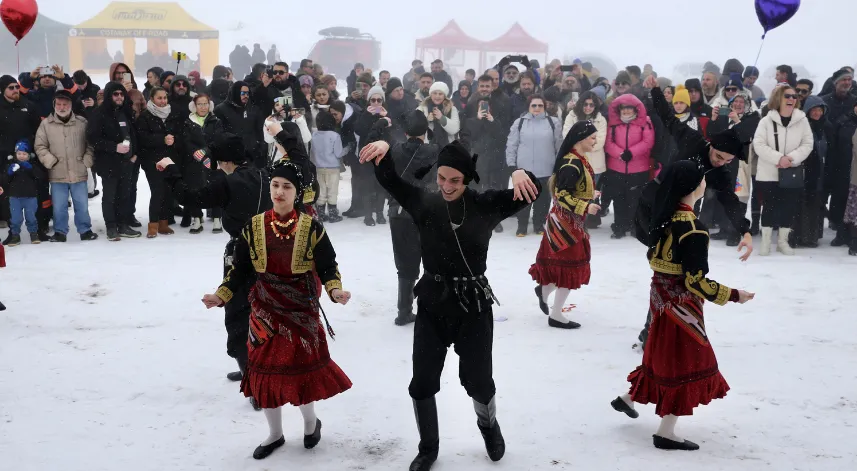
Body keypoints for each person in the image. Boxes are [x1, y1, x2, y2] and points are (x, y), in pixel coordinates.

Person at [358, 138, 541, 471]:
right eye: (441, 178)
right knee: (423, 381)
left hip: (473, 305)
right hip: (432, 301)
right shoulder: (424, 203)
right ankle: (428, 447)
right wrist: (384, 150)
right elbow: (390, 181)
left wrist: (519, 173)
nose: (446, 186)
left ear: (466, 179)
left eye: (454, 180)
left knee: (479, 380)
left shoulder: (485, 205)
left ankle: (489, 427)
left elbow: (533, 190)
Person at [200, 156, 352, 460]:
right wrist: (222, 295)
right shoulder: (254, 226)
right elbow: (239, 270)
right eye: (274, 186)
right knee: (264, 374)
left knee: (302, 372)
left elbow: (328, 266)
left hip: (301, 311)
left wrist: (335, 290)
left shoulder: (312, 228)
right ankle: (275, 433)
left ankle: (311, 423)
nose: (279, 192)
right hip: (265, 312)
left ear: (297, 193)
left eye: (286, 187)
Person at [611, 160, 755, 451]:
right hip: (681, 308)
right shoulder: (693, 229)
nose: (704, 183)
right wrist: (733, 294)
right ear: (694, 187)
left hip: (660, 301)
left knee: (659, 356)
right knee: (685, 365)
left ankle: (627, 399)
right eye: (701, 179)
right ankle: (666, 432)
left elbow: (658, 261)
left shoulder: (663, 219)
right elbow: (696, 281)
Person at [370, 110, 439, 326]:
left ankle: (404, 311)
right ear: (425, 131)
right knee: (430, 261)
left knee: (405, 265)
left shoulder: (395, 149)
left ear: (406, 131)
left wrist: (383, 121)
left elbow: (372, 137)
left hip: (398, 212)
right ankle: (429, 308)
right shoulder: (433, 150)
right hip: (425, 211)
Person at [530, 121, 601, 329]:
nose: (595, 141)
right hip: (565, 224)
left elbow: (575, 188)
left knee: (564, 267)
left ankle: (544, 292)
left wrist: (590, 195)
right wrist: (585, 206)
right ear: (580, 139)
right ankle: (556, 314)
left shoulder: (579, 159)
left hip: (571, 222)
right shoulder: (571, 163)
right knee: (568, 268)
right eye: (592, 137)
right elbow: (561, 195)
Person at [752, 85, 814, 256]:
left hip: (791, 172)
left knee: (789, 207)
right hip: (768, 172)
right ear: (779, 98)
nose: (792, 99)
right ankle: (765, 242)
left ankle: (782, 241)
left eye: (794, 96)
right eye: (787, 96)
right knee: (769, 207)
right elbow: (758, 144)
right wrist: (779, 158)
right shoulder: (766, 120)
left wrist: (791, 158)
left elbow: (808, 144)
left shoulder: (802, 120)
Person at [34, 90, 98, 242]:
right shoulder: (46, 124)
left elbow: (91, 144)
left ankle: (85, 230)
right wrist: (51, 161)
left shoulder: (82, 123)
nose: (62, 107)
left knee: (81, 205)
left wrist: (87, 161)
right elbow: (40, 146)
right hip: (57, 173)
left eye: (65, 104)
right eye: (59, 104)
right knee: (59, 206)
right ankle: (60, 232)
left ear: (71, 106)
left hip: (79, 171)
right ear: (54, 105)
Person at [86, 81, 141, 241]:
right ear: (109, 95)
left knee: (124, 195)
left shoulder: (126, 111)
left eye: (121, 94)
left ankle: (122, 224)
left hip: (127, 162)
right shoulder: (99, 114)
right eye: (115, 94)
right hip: (108, 162)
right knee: (110, 196)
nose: (119, 97)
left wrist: (135, 154)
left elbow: (134, 134)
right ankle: (111, 226)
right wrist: (113, 147)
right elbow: (93, 138)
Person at [506, 94, 563, 236]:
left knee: (543, 201)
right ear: (529, 107)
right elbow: (511, 145)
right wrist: (511, 165)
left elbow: (559, 145)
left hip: (546, 169)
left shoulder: (553, 122)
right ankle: (522, 226)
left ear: (544, 107)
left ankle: (539, 224)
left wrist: (559, 165)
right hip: (524, 171)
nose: (537, 108)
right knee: (523, 200)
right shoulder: (519, 123)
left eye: (540, 105)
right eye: (534, 105)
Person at [136, 87, 181, 238]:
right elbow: (142, 138)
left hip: (170, 160)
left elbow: (179, 134)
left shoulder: (172, 114)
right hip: (152, 161)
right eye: (159, 98)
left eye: (164, 98)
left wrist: (175, 141)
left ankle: (164, 223)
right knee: (157, 192)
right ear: (152, 99)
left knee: (168, 192)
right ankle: (153, 225)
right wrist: (161, 139)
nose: (163, 101)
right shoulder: (145, 116)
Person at [187, 94, 224, 233]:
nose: (203, 107)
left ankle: (216, 218)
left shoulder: (216, 121)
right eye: (200, 104)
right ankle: (196, 218)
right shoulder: (188, 122)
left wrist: (207, 152)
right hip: (194, 161)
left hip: (212, 160)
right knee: (194, 189)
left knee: (215, 188)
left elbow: (218, 140)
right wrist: (199, 154)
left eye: (205, 104)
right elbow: (187, 142)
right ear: (194, 106)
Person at [1, 140, 45, 246]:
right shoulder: (11, 165)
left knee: (31, 217)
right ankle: (15, 235)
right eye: (19, 153)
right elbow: (4, 180)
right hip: (15, 197)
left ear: (29, 155)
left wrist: (31, 169)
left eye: (24, 154)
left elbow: (40, 177)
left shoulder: (32, 165)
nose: (21, 156)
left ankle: (33, 234)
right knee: (15, 218)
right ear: (15, 154)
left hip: (30, 196)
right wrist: (9, 173)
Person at [310, 110, 347, 222]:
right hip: (333, 168)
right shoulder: (335, 136)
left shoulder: (314, 135)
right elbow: (338, 153)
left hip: (318, 167)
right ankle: (333, 214)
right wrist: (348, 148)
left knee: (320, 190)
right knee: (332, 191)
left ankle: (320, 214)